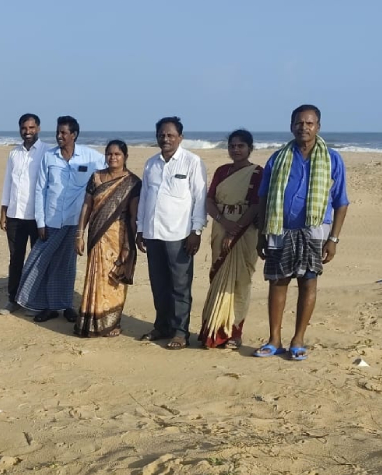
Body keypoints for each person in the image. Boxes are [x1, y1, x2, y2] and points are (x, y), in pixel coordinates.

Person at [254, 105, 349, 360]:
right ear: (291, 126)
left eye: (309, 123)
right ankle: (274, 340)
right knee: (278, 282)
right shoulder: (278, 158)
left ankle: (298, 340)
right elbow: (263, 197)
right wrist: (261, 233)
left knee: (308, 282)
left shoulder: (332, 159)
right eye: (299, 123)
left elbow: (341, 202)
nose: (303, 127)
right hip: (279, 228)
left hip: (315, 230)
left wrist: (333, 239)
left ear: (318, 127)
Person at [16, 116, 105, 323]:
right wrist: (40, 222)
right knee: (40, 262)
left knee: (66, 265)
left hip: (75, 221)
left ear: (74, 135)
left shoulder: (90, 157)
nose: (59, 136)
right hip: (51, 220)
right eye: (58, 132)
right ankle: (45, 305)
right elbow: (40, 190)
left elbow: (112, 166)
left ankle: (65, 306)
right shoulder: (49, 157)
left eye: (64, 133)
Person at [136, 117, 207, 350]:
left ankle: (180, 332)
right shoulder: (151, 164)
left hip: (180, 234)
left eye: (170, 135)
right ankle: (162, 326)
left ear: (180, 137)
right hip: (153, 233)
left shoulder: (192, 162)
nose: (165, 139)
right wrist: (140, 228)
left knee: (180, 286)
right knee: (159, 284)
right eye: (161, 135)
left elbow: (200, 198)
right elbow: (145, 198)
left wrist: (196, 231)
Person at [198, 130, 263, 349]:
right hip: (220, 226)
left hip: (245, 231)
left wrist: (235, 231)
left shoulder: (258, 173)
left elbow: (256, 205)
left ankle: (234, 332)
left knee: (241, 281)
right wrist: (224, 223)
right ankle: (214, 331)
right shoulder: (222, 171)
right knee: (219, 275)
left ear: (250, 148)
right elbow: (209, 201)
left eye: (240, 146)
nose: (236, 150)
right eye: (232, 146)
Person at [74, 140, 141, 337]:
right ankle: (92, 320)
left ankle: (112, 323)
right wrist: (79, 234)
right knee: (96, 276)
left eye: (117, 154)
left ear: (125, 157)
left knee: (114, 279)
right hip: (97, 236)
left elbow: (133, 216)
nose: (113, 157)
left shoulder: (133, 183)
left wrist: (129, 245)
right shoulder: (96, 177)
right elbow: (87, 207)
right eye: (109, 154)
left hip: (118, 238)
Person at [0, 113, 49, 316]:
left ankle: (34, 300)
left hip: (37, 217)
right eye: (24, 128)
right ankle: (13, 299)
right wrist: (3, 212)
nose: (27, 132)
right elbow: (8, 184)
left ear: (38, 128)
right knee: (16, 258)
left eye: (31, 128)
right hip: (14, 215)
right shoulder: (14, 153)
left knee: (37, 260)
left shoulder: (47, 152)